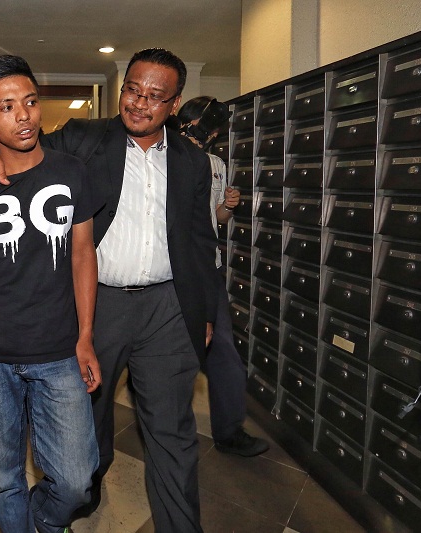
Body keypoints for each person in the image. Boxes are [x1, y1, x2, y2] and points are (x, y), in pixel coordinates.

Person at [0, 48, 218, 533]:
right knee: (86, 425)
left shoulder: (193, 162)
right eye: (132, 91)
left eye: (155, 97)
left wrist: (204, 314)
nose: (140, 104)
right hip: (97, 303)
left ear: (175, 104)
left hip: (167, 308)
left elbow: (202, 243)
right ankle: (77, 498)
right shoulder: (84, 138)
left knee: (172, 432)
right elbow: (21, 140)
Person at [0, 54, 101, 533]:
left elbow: (83, 254)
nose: (23, 115)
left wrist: (86, 334)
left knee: (75, 479)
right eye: (6, 107)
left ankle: (45, 525)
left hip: (58, 349)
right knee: (3, 477)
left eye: (29, 102)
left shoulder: (72, 171)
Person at [177, 96, 270, 457]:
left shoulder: (216, 164)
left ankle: (230, 431)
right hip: (174, 270)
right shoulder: (165, 158)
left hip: (209, 268)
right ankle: (167, 427)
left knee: (224, 352)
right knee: (172, 352)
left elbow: (216, 219)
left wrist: (227, 206)